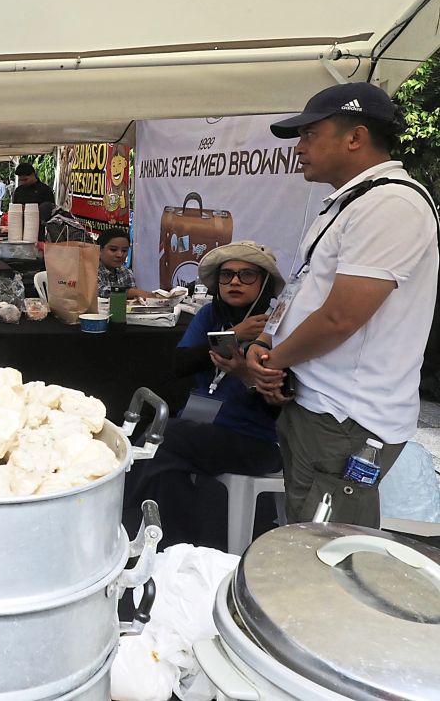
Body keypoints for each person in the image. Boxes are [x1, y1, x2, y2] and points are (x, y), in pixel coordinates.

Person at [248, 82, 439, 527]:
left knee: (325, 552)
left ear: (354, 137)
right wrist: (264, 339)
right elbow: (301, 288)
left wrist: (273, 360)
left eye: (310, 134)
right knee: (304, 532)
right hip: (320, 407)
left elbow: (340, 318)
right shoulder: (351, 202)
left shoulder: (392, 203)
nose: (299, 148)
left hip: (347, 418)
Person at [123, 242, 285, 549]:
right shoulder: (212, 314)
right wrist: (234, 334)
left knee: (164, 437)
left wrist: (242, 372)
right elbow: (179, 364)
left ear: (264, 281)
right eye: (227, 276)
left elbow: (279, 400)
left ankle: (118, 511)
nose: (234, 282)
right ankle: (175, 544)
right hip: (200, 425)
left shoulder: (276, 324)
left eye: (246, 275)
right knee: (166, 463)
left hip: (254, 437)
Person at [95, 228, 150, 299]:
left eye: (124, 250)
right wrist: (132, 293)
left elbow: (135, 299)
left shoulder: (126, 272)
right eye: (113, 250)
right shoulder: (90, 270)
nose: (119, 255)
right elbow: (98, 291)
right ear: (99, 249)